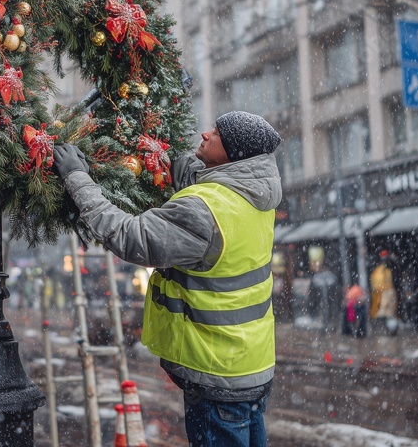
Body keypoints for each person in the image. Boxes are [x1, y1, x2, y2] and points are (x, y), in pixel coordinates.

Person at [53, 110, 281, 447]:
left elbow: (130, 236)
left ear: (233, 153)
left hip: (217, 372)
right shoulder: (253, 196)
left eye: (215, 134)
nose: (204, 135)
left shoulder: (204, 210)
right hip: (251, 364)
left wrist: (76, 177)